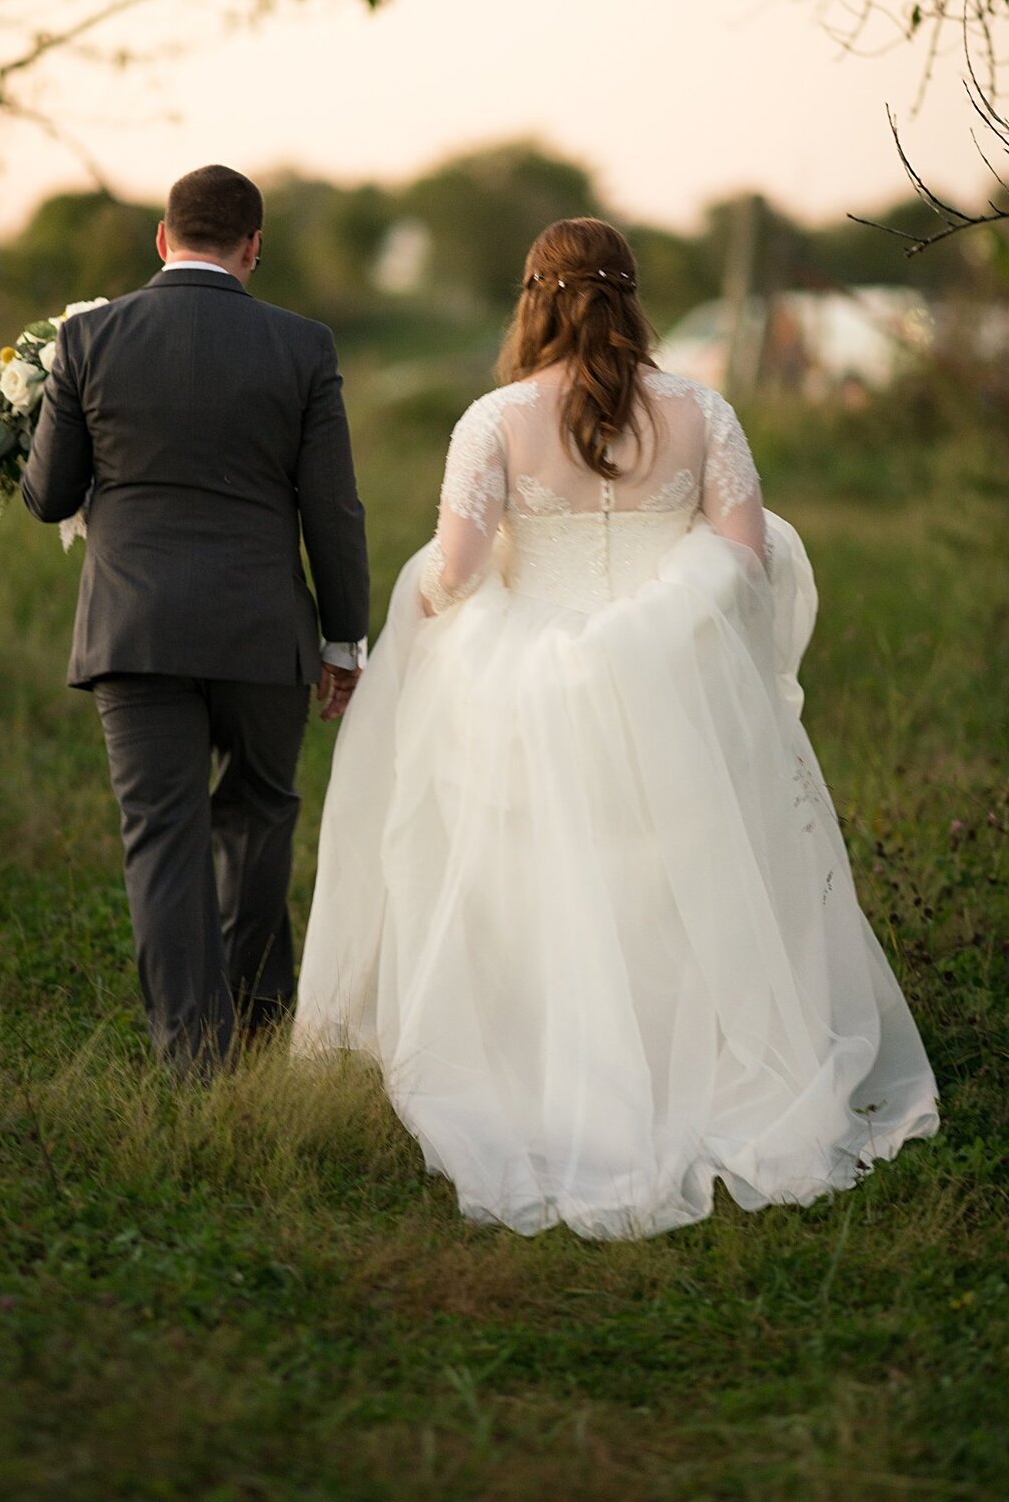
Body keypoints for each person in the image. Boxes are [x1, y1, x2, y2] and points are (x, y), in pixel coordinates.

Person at [293, 216, 938, 1240]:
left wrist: (421, 608)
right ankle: (702, 1068)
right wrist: (655, 625)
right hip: (671, 681)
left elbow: (456, 572)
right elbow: (744, 555)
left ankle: (551, 1074)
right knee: (681, 873)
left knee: (534, 874)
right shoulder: (704, 411)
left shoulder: (494, 417)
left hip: (525, 685)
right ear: (632, 298)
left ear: (532, 300)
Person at [22, 163, 369, 1074]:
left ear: (162, 238)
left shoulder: (88, 337)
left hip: (134, 630)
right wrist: (342, 638)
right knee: (258, 814)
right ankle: (260, 1024)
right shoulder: (303, 346)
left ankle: (193, 1054)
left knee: (163, 832)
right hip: (263, 632)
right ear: (255, 246)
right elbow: (332, 509)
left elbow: (50, 494)